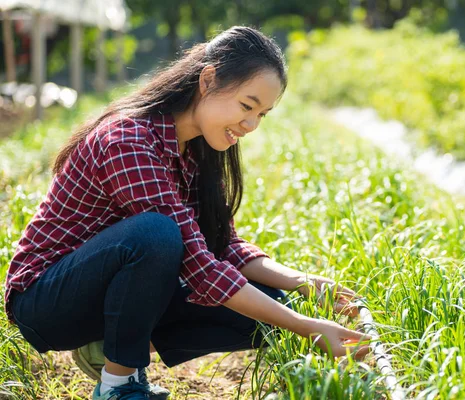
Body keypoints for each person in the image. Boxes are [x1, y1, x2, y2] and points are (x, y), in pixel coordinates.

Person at [4, 26, 370, 400]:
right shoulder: (128, 141)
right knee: (156, 233)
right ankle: (119, 385)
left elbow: (222, 248)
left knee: (275, 306)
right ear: (208, 79)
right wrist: (307, 327)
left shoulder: (198, 149)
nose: (251, 125)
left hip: (105, 293)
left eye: (263, 114)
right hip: (46, 300)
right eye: (247, 106)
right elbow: (201, 268)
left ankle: (106, 346)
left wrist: (304, 284)